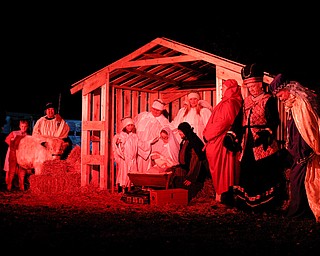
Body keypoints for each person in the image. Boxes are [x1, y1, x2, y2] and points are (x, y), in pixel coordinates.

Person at [232, 63, 287, 212]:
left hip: (262, 142)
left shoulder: (268, 99)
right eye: (248, 86)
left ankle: (265, 204)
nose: (251, 89)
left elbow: (274, 120)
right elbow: (239, 120)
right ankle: (248, 203)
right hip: (247, 142)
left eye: (253, 86)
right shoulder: (247, 101)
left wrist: (267, 133)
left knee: (263, 171)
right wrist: (232, 134)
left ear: (260, 84)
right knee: (247, 169)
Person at [269, 73, 320, 221]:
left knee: (299, 180)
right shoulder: (292, 105)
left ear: (288, 89)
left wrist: (304, 150)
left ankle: (298, 213)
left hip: (304, 152)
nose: (280, 98)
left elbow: (308, 128)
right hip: (296, 151)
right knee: (297, 180)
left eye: (280, 94)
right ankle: (299, 211)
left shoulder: (301, 104)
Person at [203, 79, 243, 205]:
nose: (222, 90)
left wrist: (207, 134)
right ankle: (224, 194)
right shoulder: (229, 102)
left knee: (224, 170)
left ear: (230, 89)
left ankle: (226, 196)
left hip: (220, 141)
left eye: (224, 88)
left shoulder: (229, 103)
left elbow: (223, 122)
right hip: (217, 139)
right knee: (224, 169)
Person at [168, 122, 209, 201]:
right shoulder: (185, 140)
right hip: (187, 170)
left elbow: (196, 162)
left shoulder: (194, 143)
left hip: (196, 175)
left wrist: (191, 177)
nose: (179, 133)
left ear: (185, 131)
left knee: (183, 185)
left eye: (181, 131)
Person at [133, 99, 170, 172]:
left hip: (152, 148)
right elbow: (133, 125)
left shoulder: (164, 121)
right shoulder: (143, 116)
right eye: (154, 109)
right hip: (137, 145)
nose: (155, 111)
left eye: (158, 110)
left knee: (147, 167)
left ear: (161, 111)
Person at [112, 117, 139, 193]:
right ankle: (124, 189)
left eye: (131, 125)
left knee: (132, 173)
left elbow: (136, 147)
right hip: (125, 159)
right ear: (124, 126)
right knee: (124, 173)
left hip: (132, 159)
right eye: (128, 125)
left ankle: (131, 188)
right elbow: (118, 147)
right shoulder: (121, 136)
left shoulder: (134, 136)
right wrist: (119, 147)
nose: (130, 127)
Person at [3, 120, 29, 186]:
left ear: (27, 127)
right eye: (22, 126)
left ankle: (18, 183)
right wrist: (13, 145)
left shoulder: (27, 136)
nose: (23, 128)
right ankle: (7, 182)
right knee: (9, 168)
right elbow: (7, 140)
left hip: (21, 154)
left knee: (20, 168)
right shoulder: (14, 133)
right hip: (12, 152)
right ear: (20, 126)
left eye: (25, 127)